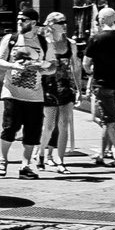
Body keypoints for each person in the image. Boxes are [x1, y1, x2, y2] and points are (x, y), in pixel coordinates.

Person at [82, 5, 115, 166]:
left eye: (99, 18)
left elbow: (86, 63)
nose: (97, 20)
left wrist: (91, 73)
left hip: (102, 83)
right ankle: (102, 154)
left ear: (103, 19)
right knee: (107, 118)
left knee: (108, 120)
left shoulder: (96, 38)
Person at [0, 14, 47, 180]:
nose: (19, 22)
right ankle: (3, 158)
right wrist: (13, 65)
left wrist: (43, 67)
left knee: (33, 132)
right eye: (18, 19)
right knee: (10, 128)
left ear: (33, 23)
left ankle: (25, 166)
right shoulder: (10, 39)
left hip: (35, 95)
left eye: (23, 20)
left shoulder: (43, 42)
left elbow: (52, 65)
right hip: (12, 92)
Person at [38, 11, 79, 172]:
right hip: (48, 87)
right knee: (49, 127)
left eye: (65, 21)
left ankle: (61, 161)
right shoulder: (45, 44)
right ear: (51, 25)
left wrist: (79, 88)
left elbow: (75, 66)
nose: (64, 25)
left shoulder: (71, 43)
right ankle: (41, 153)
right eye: (60, 22)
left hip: (66, 86)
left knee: (64, 124)